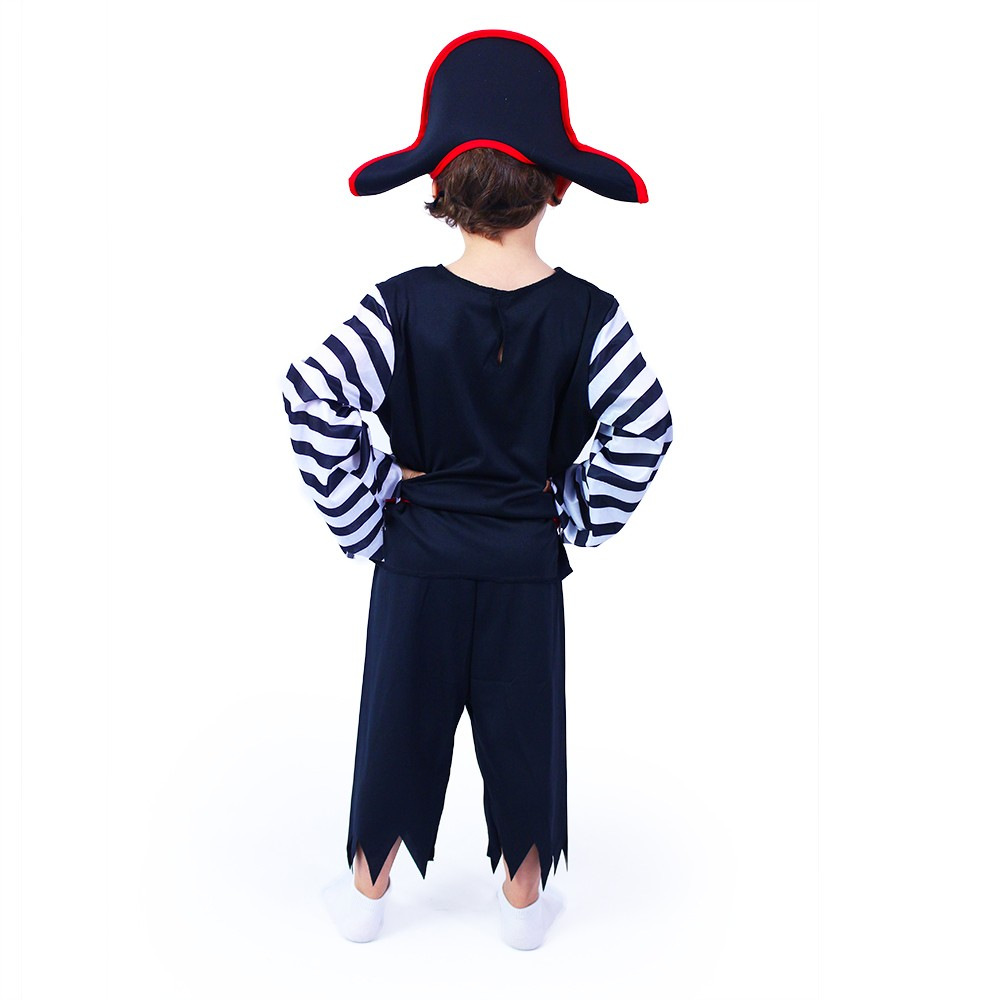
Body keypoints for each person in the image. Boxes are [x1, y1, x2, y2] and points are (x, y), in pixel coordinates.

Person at [280, 29, 673, 950]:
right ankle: (523, 905)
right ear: (559, 185)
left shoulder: (400, 304)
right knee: (524, 730)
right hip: (524, 566)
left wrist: (376, 507)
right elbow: (645, 424)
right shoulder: (589, 315)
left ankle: (367, 895)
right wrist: (571, 511)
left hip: (416, 560)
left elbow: (312, 396)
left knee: (398, 723)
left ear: (438, 185)